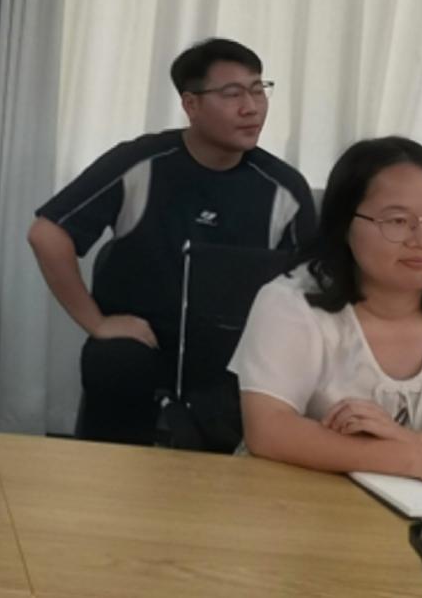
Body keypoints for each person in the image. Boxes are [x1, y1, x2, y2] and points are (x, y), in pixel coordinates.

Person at [28, 37, 315, 445]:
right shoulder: (141, 162)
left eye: (258, 90)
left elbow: (310, 283)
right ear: (191, 104)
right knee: (114, 361)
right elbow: (46, 234)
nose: (251, 107)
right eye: (232, 94)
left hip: (235, 354)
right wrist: (97, 322)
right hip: (144, 344)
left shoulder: (283, 188)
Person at [231, 136, 422, 490]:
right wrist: (419, 459)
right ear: (343, 225)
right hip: (288, 495)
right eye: (397, 221)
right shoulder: (289, 302)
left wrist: (406, 440)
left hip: (415, 507)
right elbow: (269, 431)